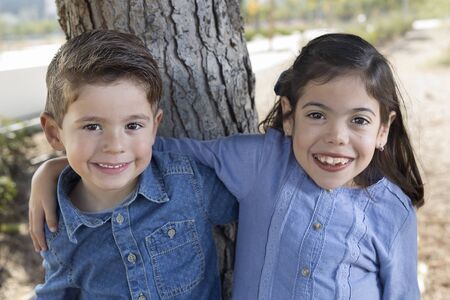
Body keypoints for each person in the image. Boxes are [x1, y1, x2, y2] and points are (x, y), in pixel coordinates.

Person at [29, 33, 423, 299]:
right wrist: (59, 166)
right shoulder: (262, 163)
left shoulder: (393, 212)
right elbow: (147, 149)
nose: (337, 136)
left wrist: (65, 160)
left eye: (359, 120)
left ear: (384, 128)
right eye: (317, 115)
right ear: (289, 115)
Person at [31, 29, 237, 299]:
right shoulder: (56, 225)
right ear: (55, 134)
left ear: (154, 127)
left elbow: (259, 208)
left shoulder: (187, 182)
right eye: (92, 126)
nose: (115, 145)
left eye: (133, 125)